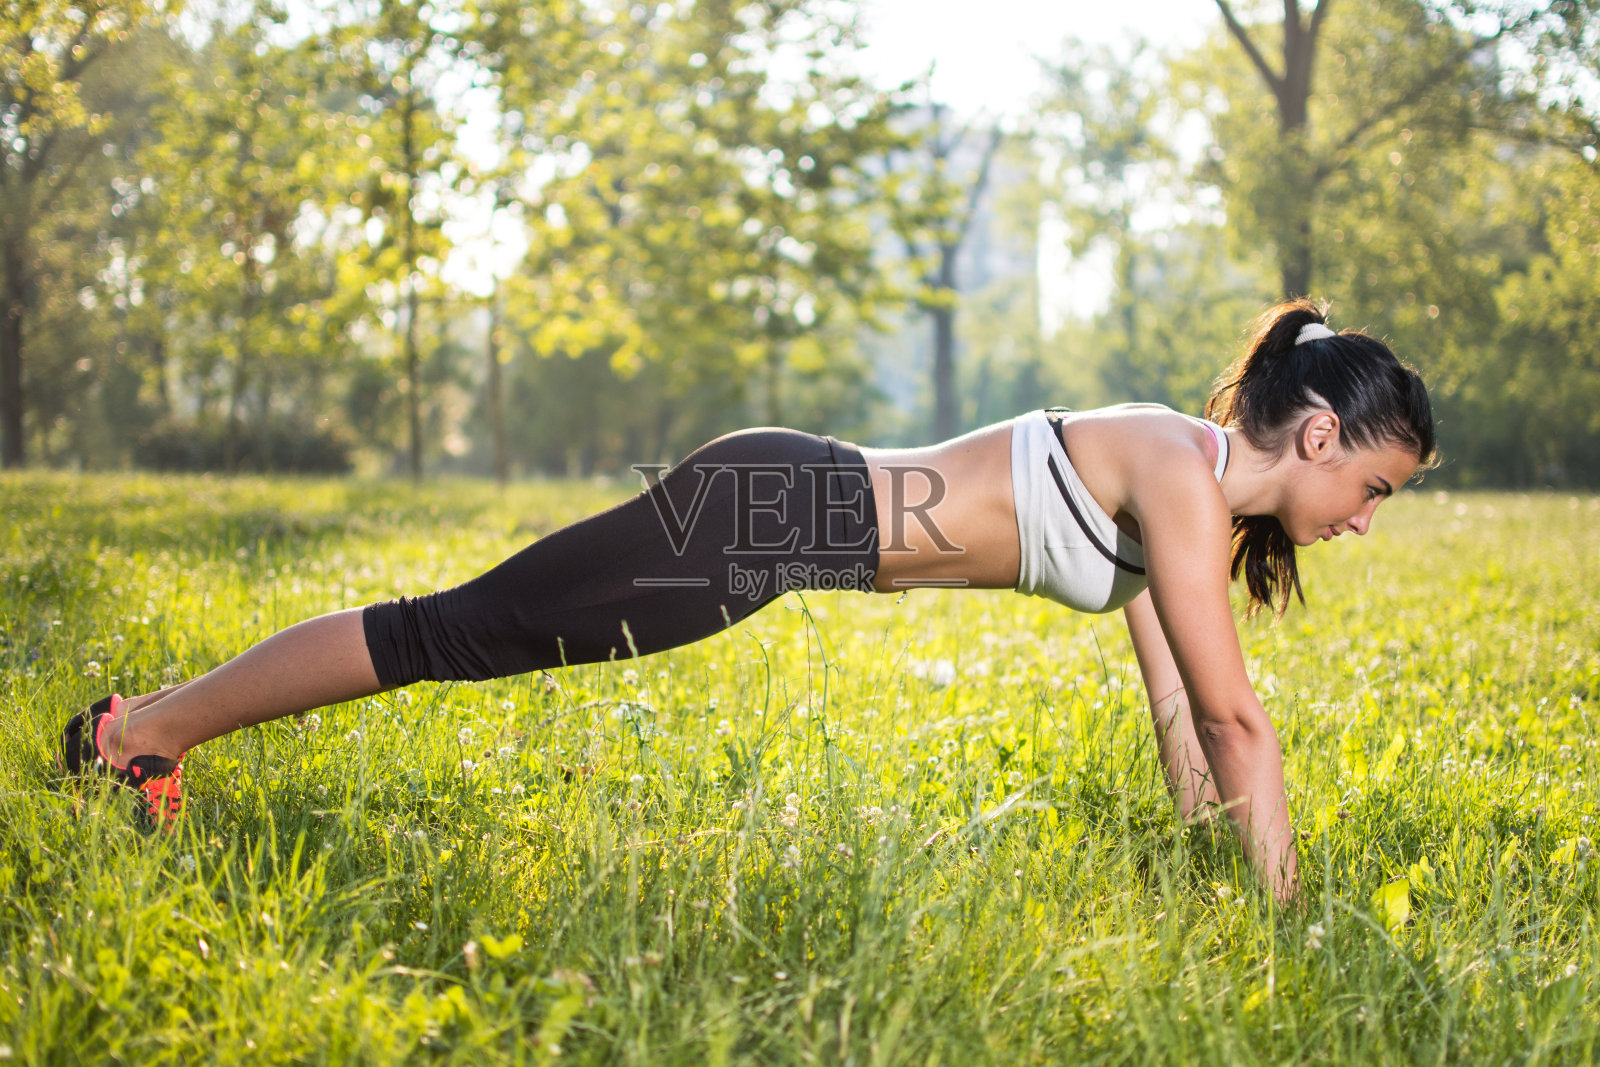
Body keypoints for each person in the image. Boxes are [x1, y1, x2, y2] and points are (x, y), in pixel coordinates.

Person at [60, 298, 1435, 902]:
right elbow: (1242, 722)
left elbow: (1187, 716)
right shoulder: (1179, 473)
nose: (1366, 521)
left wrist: (1215, 866)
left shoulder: (1179, 502)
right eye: (1375, 487)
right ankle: (136, 733)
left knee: (455, 634)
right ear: (1317, 434)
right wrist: (1287, 918)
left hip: (777, 529)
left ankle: (149, 734)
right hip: (765, 516)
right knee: (449, 633)